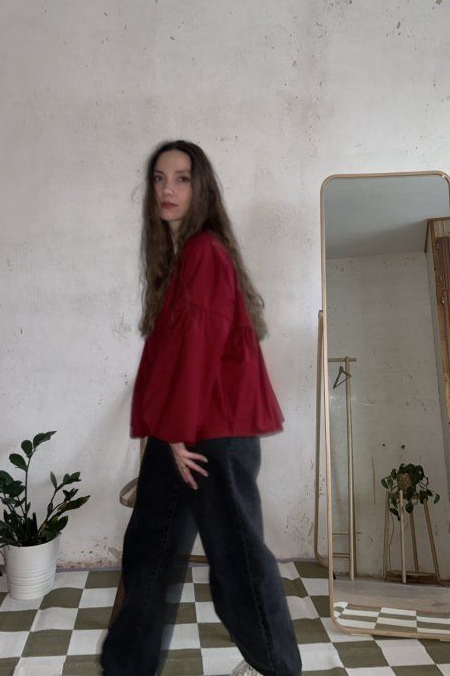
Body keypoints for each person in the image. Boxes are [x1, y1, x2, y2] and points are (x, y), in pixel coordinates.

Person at [100, 140, 302, 676]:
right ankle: (126, 667)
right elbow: (175, 354)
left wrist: (176, 432)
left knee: (237, 562)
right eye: (159, 178)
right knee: (150, 552)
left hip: (208, 436)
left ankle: (278, 669)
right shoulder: (180, 258)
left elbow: (198, 348)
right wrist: (170, 433)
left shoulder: (204, 252)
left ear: (201, 188)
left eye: (182, 178)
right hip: (184, 434)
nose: (167, 189)